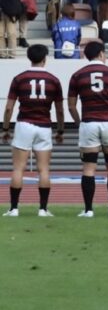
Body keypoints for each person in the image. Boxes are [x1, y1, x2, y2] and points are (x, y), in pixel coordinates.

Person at [2, 45, 63, 217]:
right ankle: (43, 209)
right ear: (45, 58)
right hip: (44, 126)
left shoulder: (19, 78)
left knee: (18, 169)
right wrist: (60, 131)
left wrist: (5, 128)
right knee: (43, 169)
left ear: (29, 57)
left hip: (24, 125)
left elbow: (8, 108)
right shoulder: (54, 80)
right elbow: (59, 110)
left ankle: (14, 209)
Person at [66, 42, 108, 217]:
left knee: (89, 168)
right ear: (100, 54)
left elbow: (71, 106)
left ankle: (88, 210)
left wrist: (80, 123)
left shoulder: (77, 75)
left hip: (89, 123)